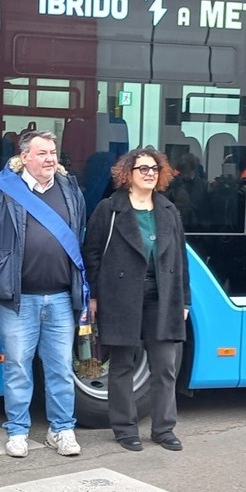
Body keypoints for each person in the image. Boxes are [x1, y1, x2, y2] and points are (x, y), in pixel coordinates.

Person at [0, 130, 85, 458]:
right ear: (24, 157)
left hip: (62, 298)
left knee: (61, 368)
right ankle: (18, 430)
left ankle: (62, 429)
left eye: (53, 152)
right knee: (18, 368)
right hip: (17, 299)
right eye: (42, 153)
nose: (51, 158)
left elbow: (78, 233)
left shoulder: (69, 188)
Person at [82, 147, 189, 453]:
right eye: (143, 169)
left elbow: (180, 259)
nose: (150, 174)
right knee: (122, 366)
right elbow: (92, 254)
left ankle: (164, 429)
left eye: (154, 168)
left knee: (165, 366)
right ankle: (125, 428)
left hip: (162, 295)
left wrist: (184, 301)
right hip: (121, 296)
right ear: (127, 174)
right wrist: (94, 295)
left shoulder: (168, 210)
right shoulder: (109, 209)